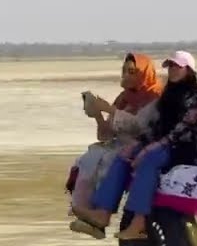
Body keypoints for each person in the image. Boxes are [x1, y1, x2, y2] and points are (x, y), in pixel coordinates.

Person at [72, 51, 197, 240]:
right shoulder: (168, 94)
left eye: (177, 66)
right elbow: (155, 126)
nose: (172, 70)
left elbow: (185, 127)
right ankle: (102, 213)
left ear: (189, 70)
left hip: (190, 147)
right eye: (170, 66)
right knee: (124, 156)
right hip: (166, 145)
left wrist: (152, 147)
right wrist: (140, 144)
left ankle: (139, 221)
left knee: (148, 160)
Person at [67, 53, 164, 218]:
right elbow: (105, 136)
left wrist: (109, 109)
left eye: (132, 72)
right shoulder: (124, 98)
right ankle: (84, 212)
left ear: (145, 73)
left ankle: (99, 213)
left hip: (140, 145)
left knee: (107, 161)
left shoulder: (155, 97)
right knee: (89, 158)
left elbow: (139, 126)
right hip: (117, 144)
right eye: (124, 71)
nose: (126, 75)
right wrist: (97, 114)